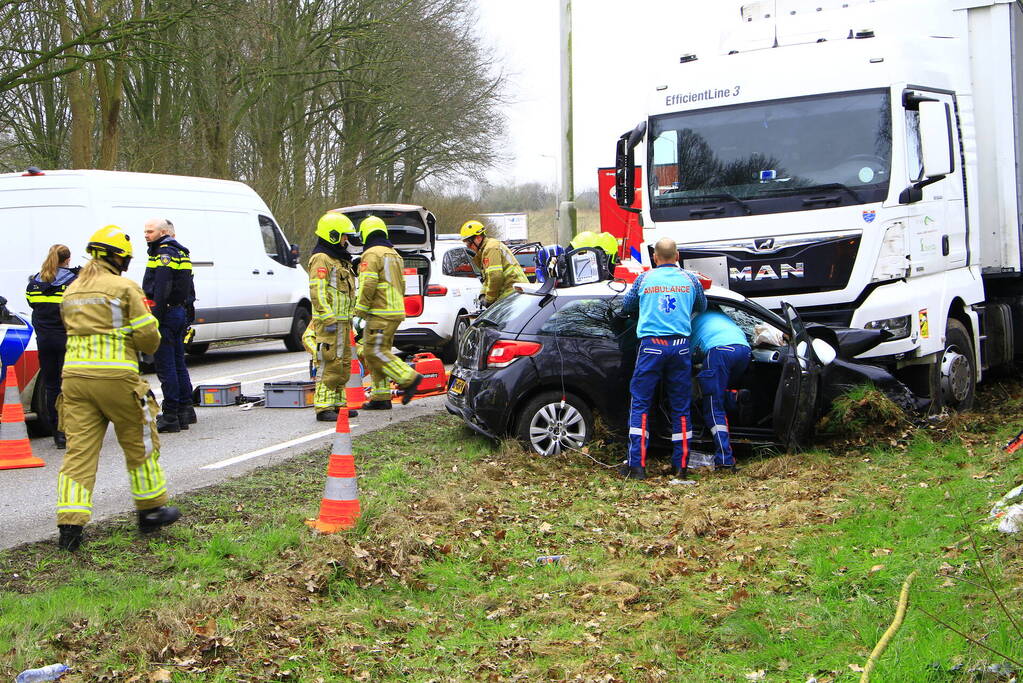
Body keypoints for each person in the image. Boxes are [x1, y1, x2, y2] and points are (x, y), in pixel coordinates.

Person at [56, 225, 180, 551]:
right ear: (117, 257)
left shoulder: (71, 290)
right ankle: (151, 511)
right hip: (117, 378)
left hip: (75, 380)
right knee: (140, 443)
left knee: (79, 453)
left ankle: (70, 527)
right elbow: (148, 339)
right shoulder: (125, 287)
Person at [619, 237, 707, 480]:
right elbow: (702, 304)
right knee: (680, 406)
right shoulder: (690, 280)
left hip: (651, 348)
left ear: (655, 258)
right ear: (677, 256)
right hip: (680, 347)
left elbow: (626, 306)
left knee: (641, 405)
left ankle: (637, 466)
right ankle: (681, 466)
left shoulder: (644, 279)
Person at [353, 216, 423, 409]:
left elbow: (368, 284)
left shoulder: (371, 254)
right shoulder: (394, 254)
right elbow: (401, 284)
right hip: (394, 311)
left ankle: (409, 378)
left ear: (366, 234)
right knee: (380, 352)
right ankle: (381, 396)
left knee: (372, 351)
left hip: (379, 312)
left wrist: (359, 311)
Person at [142, 218, 196, 433]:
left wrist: (155, 318)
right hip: (179, 311)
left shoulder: (163, 253)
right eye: (145, 231)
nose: (146, 235)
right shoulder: (181, 252)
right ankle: (186, 410)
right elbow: (189, 287)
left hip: (166, 313)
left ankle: (171, 414)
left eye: (150, 231)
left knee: (166, 367)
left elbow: (162, 288)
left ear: (163, 232)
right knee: (178, 363)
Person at [25, 244, 78, 448]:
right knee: (71, 386)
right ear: (67, 260)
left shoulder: (35, 282)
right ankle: (71, 430)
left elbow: (32, 305)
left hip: (44, 340)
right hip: (66, 339)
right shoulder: (72, 282)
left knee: (51, 385)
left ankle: (58, 433)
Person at [308, 212, 359, 421]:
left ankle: (338, 404)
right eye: (344, 236)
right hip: (330, 323)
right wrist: (328, 319)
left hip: (342, 323)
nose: (346, 241)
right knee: (329, 362)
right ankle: (323, 406)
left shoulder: (338, 260)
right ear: (333, 235)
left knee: (343, 363)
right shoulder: (322, 259)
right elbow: (318, 292)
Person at [691, 308, 752, 471]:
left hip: (719, 351)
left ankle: (725, 459)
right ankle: (734, 397)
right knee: (717, 393)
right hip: (744, 350)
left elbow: (687, 358)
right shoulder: (720, 314)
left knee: (712, 405)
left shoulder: (690, 322)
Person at [460, 220, 528, 306]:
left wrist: (489, 299)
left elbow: (495, 277)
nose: (469, 247)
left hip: (513, 292)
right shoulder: (485, 251)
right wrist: (483, 294)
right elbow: (488, 278)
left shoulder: (491, 248)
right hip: (512, 293)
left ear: (478, 238)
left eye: (469, 243)